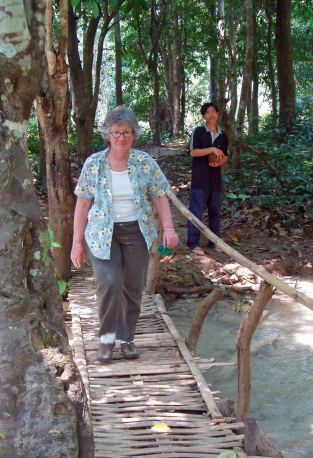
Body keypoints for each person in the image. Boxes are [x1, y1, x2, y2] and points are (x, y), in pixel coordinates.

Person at [71, 106, 179, 362]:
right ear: (108, 134)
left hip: (136, 232)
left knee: (132, 287)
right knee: (110, 283)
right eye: (116, 133)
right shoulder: (94, 164)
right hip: (101, 233)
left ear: (134, 134)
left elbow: (159, 196)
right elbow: (83, 203)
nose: (121, 138)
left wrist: (169, 228)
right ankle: (107, 339)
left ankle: (127, 339)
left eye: (127, 133)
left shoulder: (144, 162)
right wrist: (77, 242)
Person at [187, 102, 229, 255]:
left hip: (215, 178)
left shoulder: (223, 135)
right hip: (200, 177)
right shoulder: (198, 132)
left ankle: (215, 241)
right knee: (196, 210)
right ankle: (193, 242)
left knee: (215, 211)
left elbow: (225, 155)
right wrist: (211, 149)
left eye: (214, 111)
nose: (211, 114)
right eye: (207, 112)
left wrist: (219, 160)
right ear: (203, 116)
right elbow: (192, 152)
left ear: (218, 114)